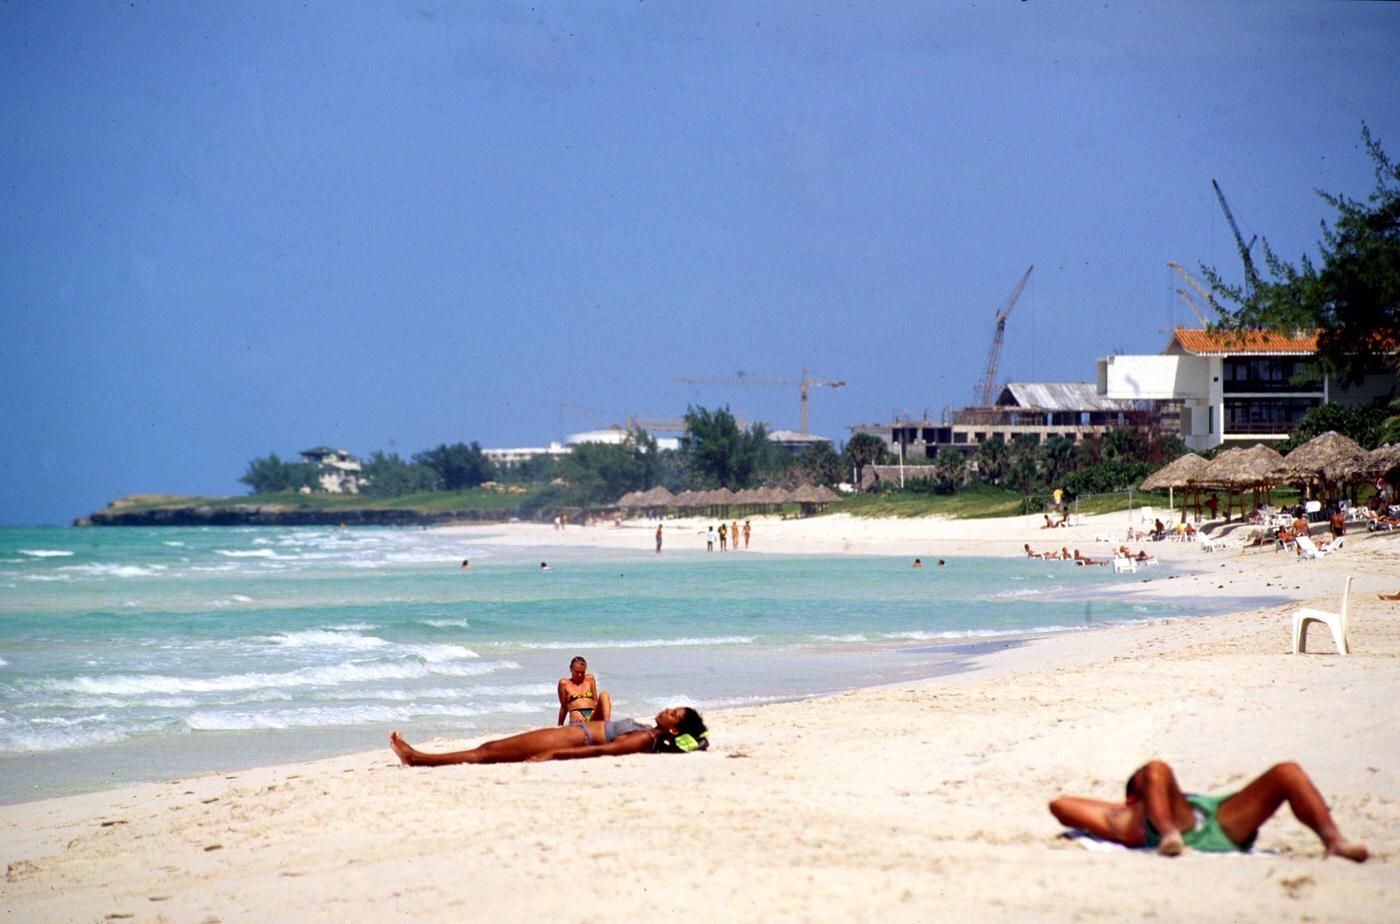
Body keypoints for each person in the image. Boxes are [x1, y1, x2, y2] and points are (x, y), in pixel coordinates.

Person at [1049, 759, 1367, 861]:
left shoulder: (1181, 800)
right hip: (1174, 828)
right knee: (1155, 767)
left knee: (1287, 771)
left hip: (1219, 819)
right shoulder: (1127, 818)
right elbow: (1061, 805)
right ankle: (1170, 835)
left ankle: (1334, 840)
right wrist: (1129, 804)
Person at [390, 707, 708, 766]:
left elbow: (603, 752)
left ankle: (417, 758)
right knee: (490, 749)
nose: (667, 710)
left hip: (569, 742)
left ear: (674, 728)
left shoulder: (644, 740)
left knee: (489, 751)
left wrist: (554, 754)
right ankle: (419, 758)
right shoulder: (650, 733)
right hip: (570, 734)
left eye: (674, 714)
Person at [557, 656, 611, 726]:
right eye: (577, 672)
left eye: (583, 672)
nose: (580, 675)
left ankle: (607, 724)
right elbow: (564, 708)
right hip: (577, 715)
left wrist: (599, 713)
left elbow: (595, 701)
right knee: (578, 720)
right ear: (571, 669)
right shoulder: (564, 683)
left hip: (593, 715)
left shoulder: (590, 679)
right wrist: (560, 725)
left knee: (604, 694)